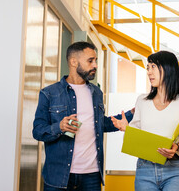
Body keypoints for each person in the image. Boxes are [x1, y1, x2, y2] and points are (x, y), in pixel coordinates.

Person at [32, 41, 134, 191]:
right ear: (74, 62)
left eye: (96, 61)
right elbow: (38, 131)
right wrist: (59, 127)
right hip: (59, 176)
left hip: (91, 176)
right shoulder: (49, 93)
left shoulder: (96, 92)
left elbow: (100, 124)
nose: (95, 65)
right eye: (90, 60)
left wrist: (133, 113)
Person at [111, 50, 179, 191]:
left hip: (175, 170)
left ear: (168, 68)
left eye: (153, 67)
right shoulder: (142, 101)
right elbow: (137, 138)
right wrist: (126, 129)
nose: (149, 72)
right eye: (148, 68)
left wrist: (176, 147)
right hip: (145, 170)